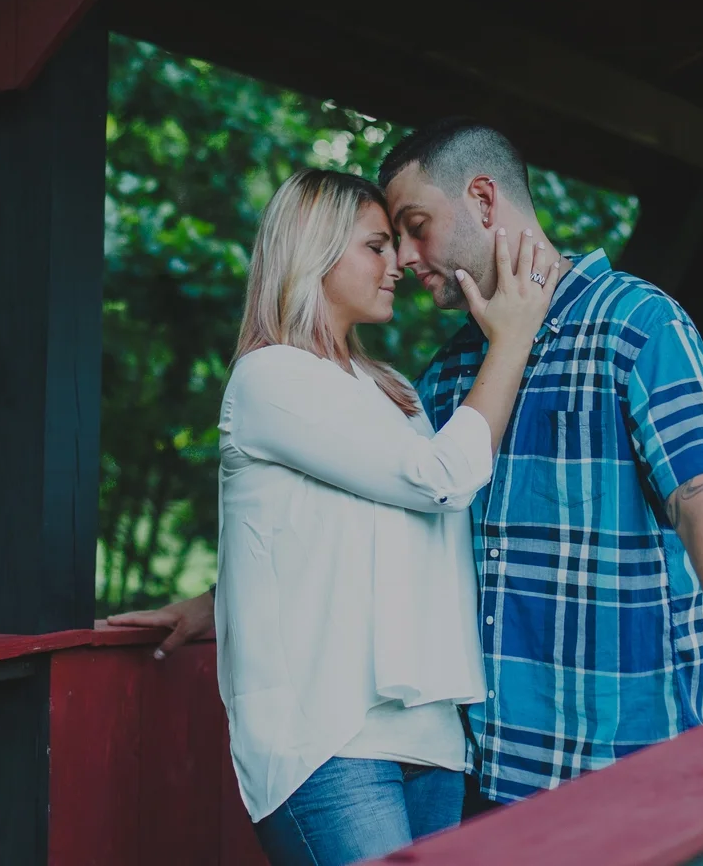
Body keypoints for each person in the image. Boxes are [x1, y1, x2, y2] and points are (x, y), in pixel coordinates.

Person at [111, 119, 703, 820]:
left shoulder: (640, 325)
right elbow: (377, 515)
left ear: (484, 201)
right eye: (389, 238)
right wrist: (218, 601)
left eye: (415, 225)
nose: (404, 255)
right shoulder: (452, 372)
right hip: (481, 774)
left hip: (623, 770)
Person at [198, 167, 558, 866]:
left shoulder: (389, 388)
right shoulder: (271, 377)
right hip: (328, 739)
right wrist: (511, 341)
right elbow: (440, 480)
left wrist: (211, 600)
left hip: (430, 735)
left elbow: (366, 530)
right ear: (315, 250)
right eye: (376, 246)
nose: (399, 264)